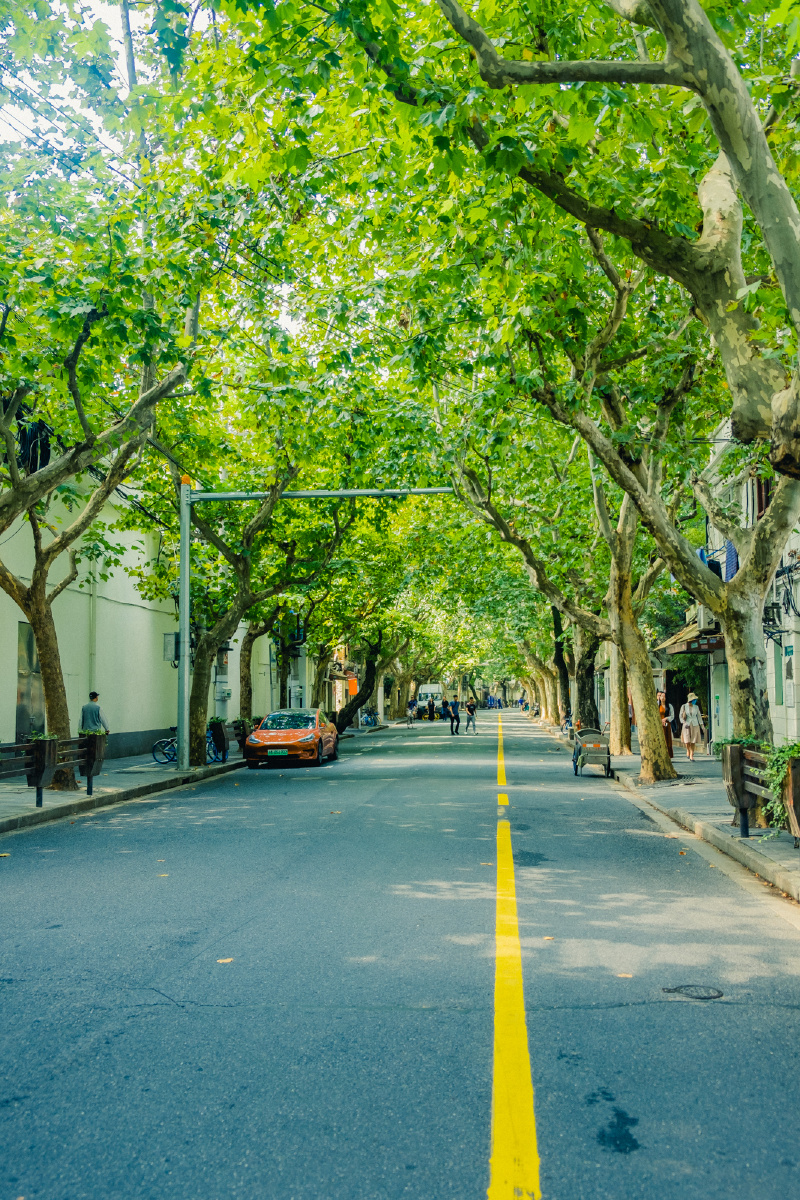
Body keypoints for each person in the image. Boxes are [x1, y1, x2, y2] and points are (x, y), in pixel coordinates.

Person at [679, 692, 705, 762]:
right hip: (686, 724)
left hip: (695, 724)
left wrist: (702, 726)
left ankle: (691, 754)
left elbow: (699, 717)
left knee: (693, 740)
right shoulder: (684, 706)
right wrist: (684, 723)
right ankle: (688, 750)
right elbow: (680, 716)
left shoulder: (696, 707)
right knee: (687, 740)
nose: (695, 701)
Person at [657, 689, 674, 759]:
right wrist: (660, 720)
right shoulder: (657, 706)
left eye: (664, 696)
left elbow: (672, 716)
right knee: (660, 739)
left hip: (667, 725)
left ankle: (668, 756)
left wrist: (666, 718)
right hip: (659, 725)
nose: (662, 698)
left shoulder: (669, 706)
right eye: (661, 696)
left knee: (668, 739)